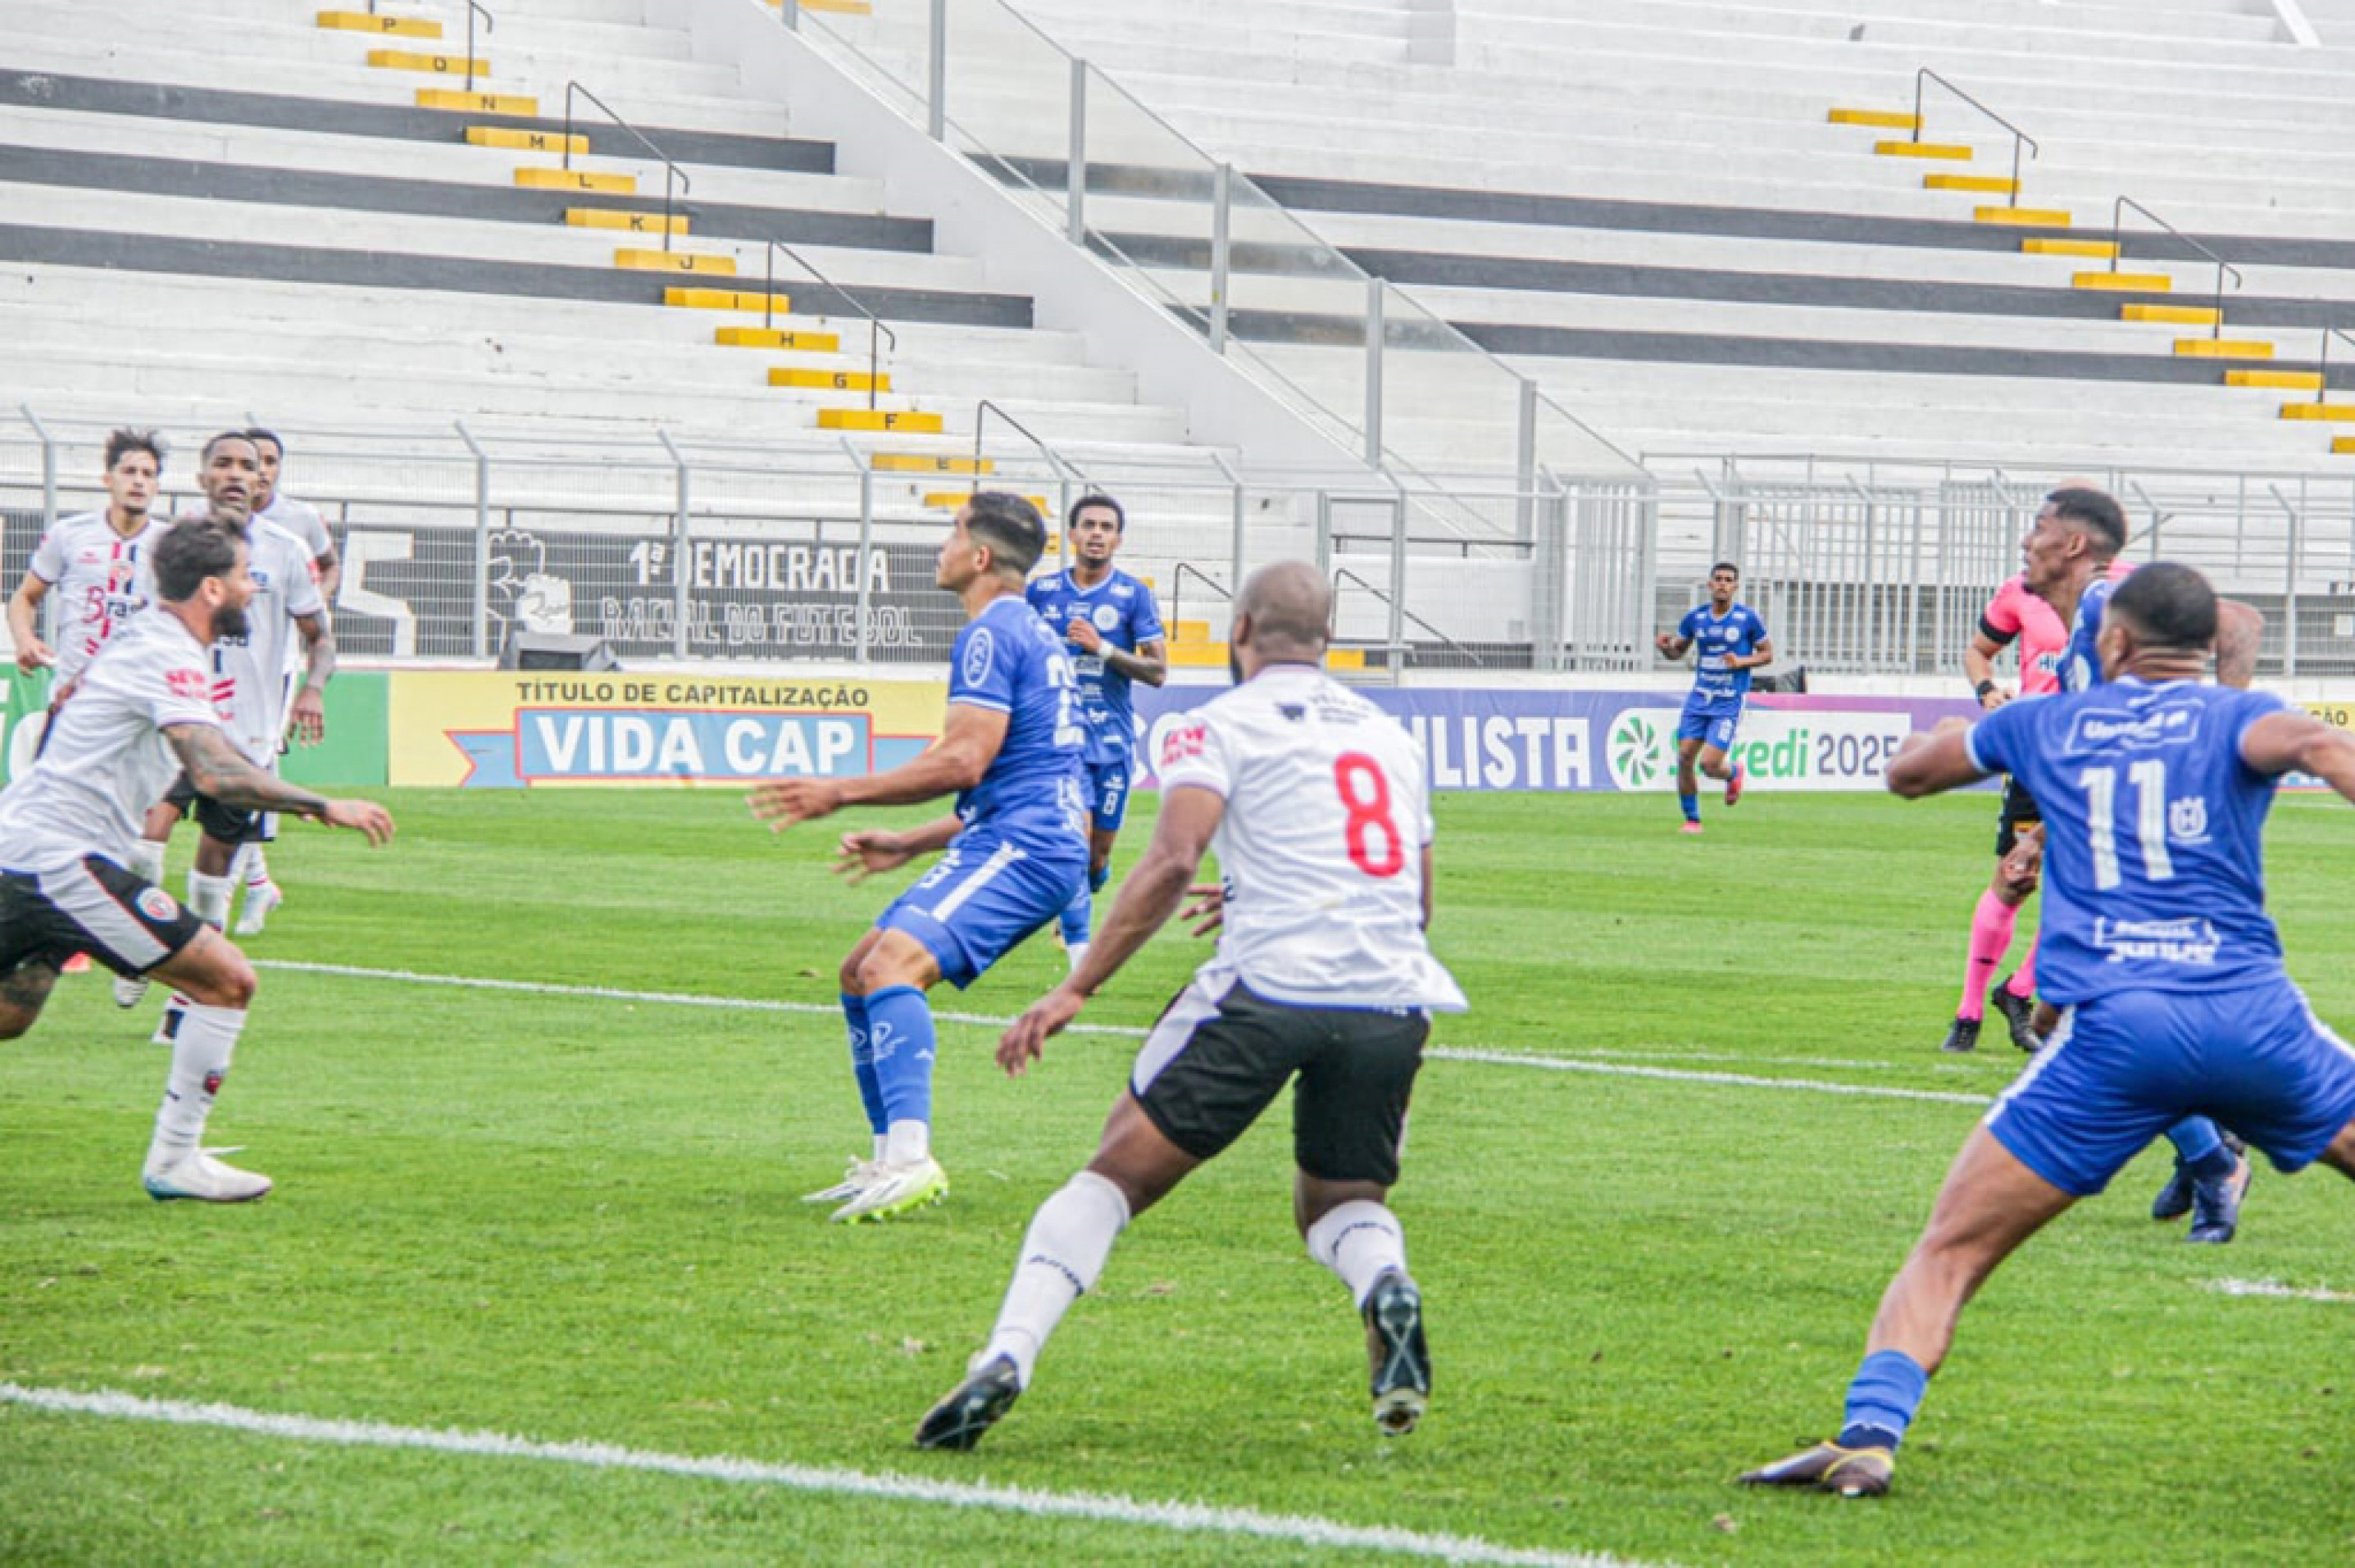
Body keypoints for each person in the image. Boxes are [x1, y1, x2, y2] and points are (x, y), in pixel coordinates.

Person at [1740, 562, 2355, 1498]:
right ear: (2204, 649)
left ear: (2110, 643)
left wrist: (1958, 734)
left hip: (2114, 1038)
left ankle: (1867, 1435)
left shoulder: (2049, 721)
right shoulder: (2244, 716)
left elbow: (1909, 773)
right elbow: (2319, 744)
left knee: (1949, 1248)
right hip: (2253, 1021)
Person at [914, 561, 1466, 1452]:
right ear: (1325, 637)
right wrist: (1255, 886)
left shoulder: (1210, 724)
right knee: (1336, 1200)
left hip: (1269, 986)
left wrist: (1073, 985)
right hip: (1393, 993)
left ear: (1239, 629)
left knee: (1111, 1174)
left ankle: (1004, 1356)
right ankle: (1385, 1284)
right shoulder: (1389, 736)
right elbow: (1415, 898)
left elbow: (1171, 858)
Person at [0, 518, 393, 1201]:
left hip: (24, 849)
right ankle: (175, 1159)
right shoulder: (167, 650)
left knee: (11, 1015)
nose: (252, 589)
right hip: (59, 861)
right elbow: (211, 771)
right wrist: (322, 804)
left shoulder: (147, 637)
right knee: (226, 979)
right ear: (212, 588)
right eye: (245, 578)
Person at [750, 494, 1087, 1224]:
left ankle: (910, 1158)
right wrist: (908, 840)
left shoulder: (991, 634)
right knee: (858, 971)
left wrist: (839, 792)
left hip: (1023, 848)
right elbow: (1016, 775)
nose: (941, 547)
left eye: (952, 533)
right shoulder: (1033, 632)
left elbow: (966, 759)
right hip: (1015, 837)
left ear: (980, 557)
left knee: (889, 968)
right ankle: (884, 1157)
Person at [2017, 487, 2263, 1242]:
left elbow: (2242, 622)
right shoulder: (2073, 650)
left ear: (2073, 546)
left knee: (2094, 1012)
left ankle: (2214, 1158)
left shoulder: (2107, 600)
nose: (2026, 539)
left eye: (2038, 526)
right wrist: (2035, 843)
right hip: (2109, 853)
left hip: (2153, 855)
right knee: (2084, 1012)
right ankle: (2207, 1147)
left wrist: (2212, 737)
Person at [116, 434, 333, 1013]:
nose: (238, 473)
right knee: (144, 838)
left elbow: (320, 635)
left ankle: (190, 990)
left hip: (246, 734)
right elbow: (138, 625)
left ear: (265, 478)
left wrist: (311, 688)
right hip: (173, 721)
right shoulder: (165, 544)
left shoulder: (285, 550)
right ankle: (140, 949)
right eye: (224, 463)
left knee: (215, 865)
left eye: (251, 465)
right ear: (202, 476)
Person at [1024, 493, 1167, 970]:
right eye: (1089, 525)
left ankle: (1075, 901)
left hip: (1112, 742)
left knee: (1097, 855)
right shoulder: (1041, 594)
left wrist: (1102, 648)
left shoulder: (1134, 595)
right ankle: (1082, 959)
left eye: (1107, 527)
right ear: (1072, 535)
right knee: (1074, 843)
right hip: (1060, 743)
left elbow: (1158, 672)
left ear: (1118, 539)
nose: (1097, 534)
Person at [1936, 573, 2065, 1055]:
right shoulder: (2022, 591)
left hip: (2095, 753)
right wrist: (1987, 690)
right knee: (2014, 877)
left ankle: (2018, 990)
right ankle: (1969, 1012)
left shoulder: (2124, 588)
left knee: (2089, 890)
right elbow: (1978, 651)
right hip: (2035, 751)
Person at [230, 428, 339, 936]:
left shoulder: (298, 524)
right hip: (215, 667)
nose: (263, 471)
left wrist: (312, 601)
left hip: (274, 665)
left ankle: (234, 894)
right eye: (258, 461)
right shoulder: (207, 527)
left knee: (251, 774)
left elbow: (328, 566)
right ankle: (256, 886)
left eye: (271, 462)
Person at [7, 429, 167, 700]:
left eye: (147, 474)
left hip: (141, 695)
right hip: (74, 693)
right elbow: (25, 596)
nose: (138, 481)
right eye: (129, 471)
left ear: (157, 487)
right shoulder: (69, 533)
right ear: (108, 480)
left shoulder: (170, 544)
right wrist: (25, 639)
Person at [1654, 562, 1772, 834]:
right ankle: (1692, 819)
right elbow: (1677, 653)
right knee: (1684, 757)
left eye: (1728, 580)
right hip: (1699, 699)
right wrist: (1665, 649)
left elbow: (1767, 655)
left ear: (1735, 586)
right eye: (1717, 579)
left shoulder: (1747, 619)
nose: (1722, 583)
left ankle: (1732, 773)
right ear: (1709, 584)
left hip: (1728, 701)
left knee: (1708, 764)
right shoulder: (1695, 619)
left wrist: (1741, 661)